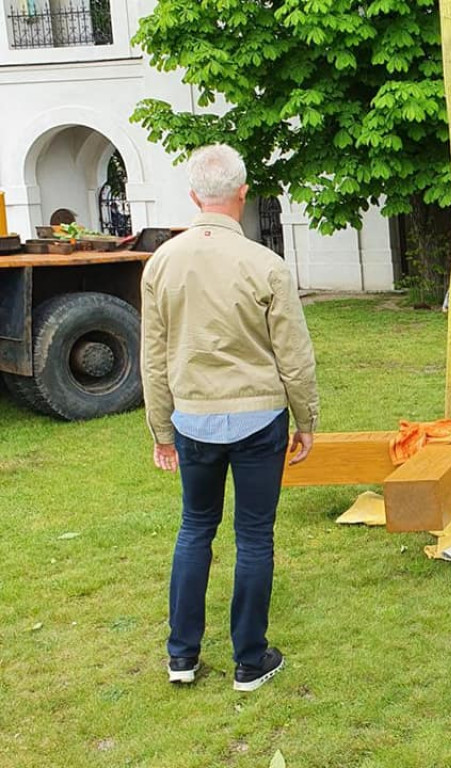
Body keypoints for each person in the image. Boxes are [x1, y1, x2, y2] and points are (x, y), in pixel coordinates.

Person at [141, 144, 319, 690]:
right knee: (254, 536)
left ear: (194, 196)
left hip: (193, 418)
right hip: (259, 418)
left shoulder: (160, 262)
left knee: (195, 528)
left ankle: (182, 656)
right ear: (242, 195)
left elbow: (153, 356)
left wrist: (161, 430)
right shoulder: (266, 264)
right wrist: (306, 418)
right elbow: (294, 353)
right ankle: (250, 659)